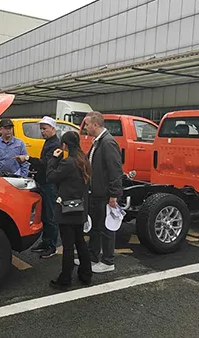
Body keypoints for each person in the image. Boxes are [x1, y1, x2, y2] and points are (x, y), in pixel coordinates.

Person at [46, 131, 92, 290]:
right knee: (80, 242)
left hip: (66, 208)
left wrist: (54, 158)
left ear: (65, 145)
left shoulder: (68, 162)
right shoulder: (83, 160)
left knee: (68, 246)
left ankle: (65, 279)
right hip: (80, 207)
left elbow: (51, 176)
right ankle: (86, 274)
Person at [81, 111, 123, 273]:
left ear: (95, 125)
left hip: (105, 195)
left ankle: (108, 261)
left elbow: (115, 170)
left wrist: (114, 195)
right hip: (95, 193)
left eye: (87, 125)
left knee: (106, 228)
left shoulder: (107, 143)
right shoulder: (97, 142)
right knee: (96, 227)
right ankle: (92, 257)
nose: (85, 128)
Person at [15, 116, 60, 259]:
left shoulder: (55, 144)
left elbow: (46, 164)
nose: (42, 131)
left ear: (53, 128)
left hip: (50, 183)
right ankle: (46, 242)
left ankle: (51, 246)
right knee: (45, 214)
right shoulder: (49, 142)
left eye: (45, 129)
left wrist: (27, 159)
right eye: (41, 129)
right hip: (44, 181)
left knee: (50, 215)